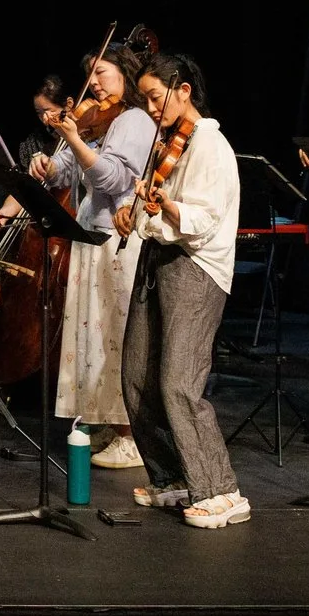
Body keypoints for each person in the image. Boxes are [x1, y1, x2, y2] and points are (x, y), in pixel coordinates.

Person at [0, 45, 156, 472]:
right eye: (91, 75)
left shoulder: (134, 120)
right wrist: (47, 163)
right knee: (93, 342)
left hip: (117, 239)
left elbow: (113, 176)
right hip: (85, 235)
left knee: (117, 339)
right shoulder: (90, 119)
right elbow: (65, 172)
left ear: (125, 73)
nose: (95, 83)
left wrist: (76, 141)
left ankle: (130, 434)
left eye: (102, 72)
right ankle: (103, 423)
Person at [111, 52, 247, 530]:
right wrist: (133, 212)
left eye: (156, 96)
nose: (150, 107)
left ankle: (222, 490)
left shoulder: (211, 146)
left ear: (183, 90)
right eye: (145, 98)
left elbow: (203, 221)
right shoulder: (167, 145)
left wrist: (166, 208)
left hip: (195, 267)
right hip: (157, 261)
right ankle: (172, 477)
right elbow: (150, 205)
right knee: (136, 378)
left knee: (178, 383)